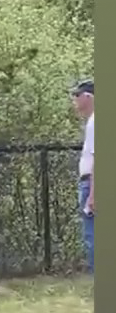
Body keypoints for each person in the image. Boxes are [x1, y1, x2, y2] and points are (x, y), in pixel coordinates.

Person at [71, 79, 94, 274]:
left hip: (92, 183)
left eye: (77, 96)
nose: (74, 100)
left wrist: (94, 194)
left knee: (93, 235)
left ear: (88, 97)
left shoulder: (96, 122)